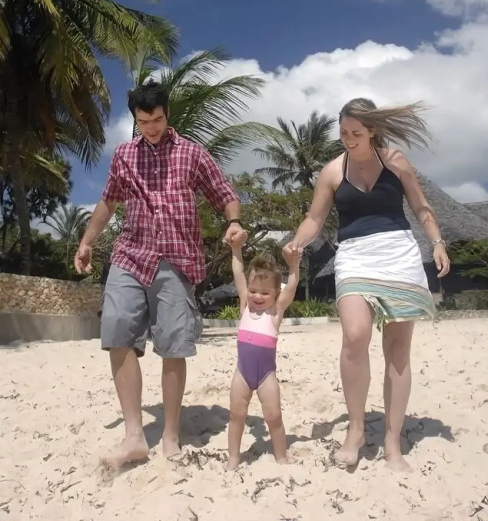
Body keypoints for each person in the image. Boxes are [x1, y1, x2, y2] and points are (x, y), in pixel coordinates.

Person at [74, 81, 245, 469]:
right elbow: (108, 202)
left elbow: (223, 192)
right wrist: (87, 241)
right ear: (135, 119)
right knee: (117, 331)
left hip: (177, 259)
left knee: (172, 346)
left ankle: (170, 434)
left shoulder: (192, 153)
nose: (151, 127)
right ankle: (134, 436)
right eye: (143, 121)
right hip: (131, 254)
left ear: (168, 115)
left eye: (157, 120)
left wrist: (233, 221)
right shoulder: (124, 155)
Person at [283, 98, 450, 473]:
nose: (348, 139)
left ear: (372, 130)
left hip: (398, 255)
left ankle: (392, 442)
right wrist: (297, 241)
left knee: (398, 350)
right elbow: (315, 218)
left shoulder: (395, 162)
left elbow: (421, 207)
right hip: (355, 255)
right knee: (355, 335)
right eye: (343, 132)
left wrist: (437, 242)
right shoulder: (332, 171)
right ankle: (356, 429)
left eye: (355, 133)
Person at [226, 235, 300, 470]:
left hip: (267, 376)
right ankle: (233, 458)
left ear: (276, 294)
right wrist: (236, 250)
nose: (257, 296)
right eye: (253, 291)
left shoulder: (275, 312)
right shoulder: (245, 307)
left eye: (265, 293)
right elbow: (238, 273)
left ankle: (281, 457)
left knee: (274, 418)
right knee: (236, 416)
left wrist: (294, 265)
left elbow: (292, 286)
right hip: (242, 374)